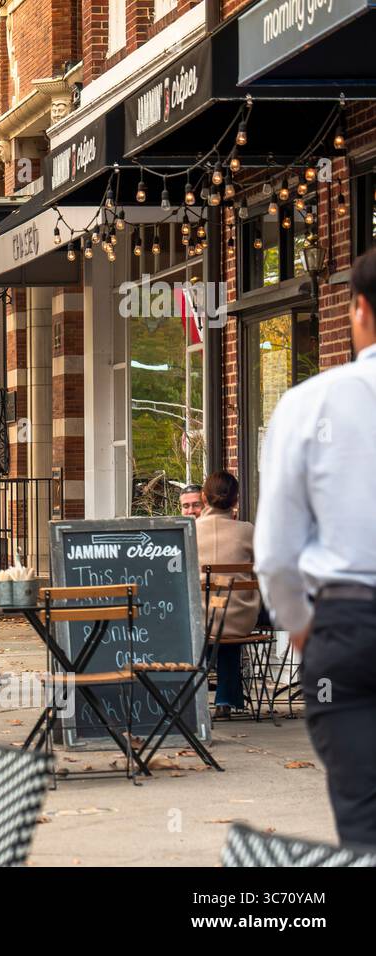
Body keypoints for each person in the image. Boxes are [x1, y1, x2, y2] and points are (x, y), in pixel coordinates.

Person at [255, 247, 376, 846]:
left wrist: (302, 627)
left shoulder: (309, 405)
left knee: (363, 819)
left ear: (358, 311)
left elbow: (276, 554)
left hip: (347, 631)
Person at [194, 471, 260, 719]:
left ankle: (196, 697)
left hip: (199, 618)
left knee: (209, 622)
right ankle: (225, 700)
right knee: (226, 628)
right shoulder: (248, 531)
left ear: (203, 497)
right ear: (235, 501)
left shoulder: (190, 531)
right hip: (240, 617)